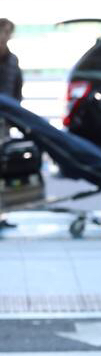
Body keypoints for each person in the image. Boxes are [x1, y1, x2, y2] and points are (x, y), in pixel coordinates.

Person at [0, 18, 23, 230]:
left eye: (8, 32)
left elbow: (17, 89)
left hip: (5, 122)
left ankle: (2, 215)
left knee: (3, 169)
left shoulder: (12, 60)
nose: (4, 36)